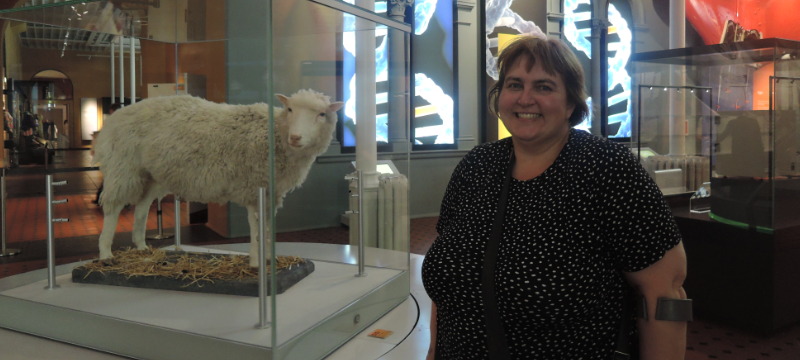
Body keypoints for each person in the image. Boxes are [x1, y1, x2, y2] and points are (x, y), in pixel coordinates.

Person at [421, 36, 688, 359]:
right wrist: (435, 349)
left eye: (544, 87)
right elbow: (448, 276)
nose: (525, 99)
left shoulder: (608, 170)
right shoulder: (476, 167)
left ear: (571, 104)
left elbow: (664, 294)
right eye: (514, 85)